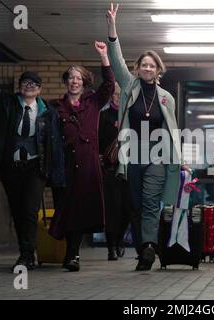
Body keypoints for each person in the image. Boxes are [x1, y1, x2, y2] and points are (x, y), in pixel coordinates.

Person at [0, 42, 65, 271]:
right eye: (25, 82)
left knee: (29, 209)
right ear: (20, 86)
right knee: (16, 210)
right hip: (11, 167)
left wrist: (56, 174)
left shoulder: (48, 112)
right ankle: (26, 250)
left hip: (35, 167)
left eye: (34, 84)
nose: (29, 86)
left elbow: (54, 145)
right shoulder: (6, 104)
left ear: (40, 89)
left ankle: (26, 255)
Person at [106, 3, 182, 271]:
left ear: (158, 70)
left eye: (152, 66)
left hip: (157, 154)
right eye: (144, 65)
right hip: (132, 153)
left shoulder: (167, 98)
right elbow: (116, 63)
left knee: (151, 201)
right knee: (135, 205)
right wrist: (112, 30)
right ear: (137, 69)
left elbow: (172, 130)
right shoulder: (129, 86)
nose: (148, 69)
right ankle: (142, 249)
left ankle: (149, 247)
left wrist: (178, 158)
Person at [49, 42, 115, 272]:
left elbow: (109, 84)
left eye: (78, 78)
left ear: (84, 82)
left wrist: (104, 55)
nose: (74, 81)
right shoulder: (56, 107)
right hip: (64, 166)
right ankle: (70, 253)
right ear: (66, 82)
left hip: (87, 165)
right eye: (71, 78)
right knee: (65, 209)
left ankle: (72, 255)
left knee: (79, 210)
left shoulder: (93, 102)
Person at [99, 83, 131, 261]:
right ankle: (111, 246)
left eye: (122, 94)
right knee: (112, 210)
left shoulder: (132, 116)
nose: (118, 97)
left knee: (127, 209)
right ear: (111, 96)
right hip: (110, 170)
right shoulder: (103, 116)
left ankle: (119, 240)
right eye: (116, 94)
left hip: (128, 169)